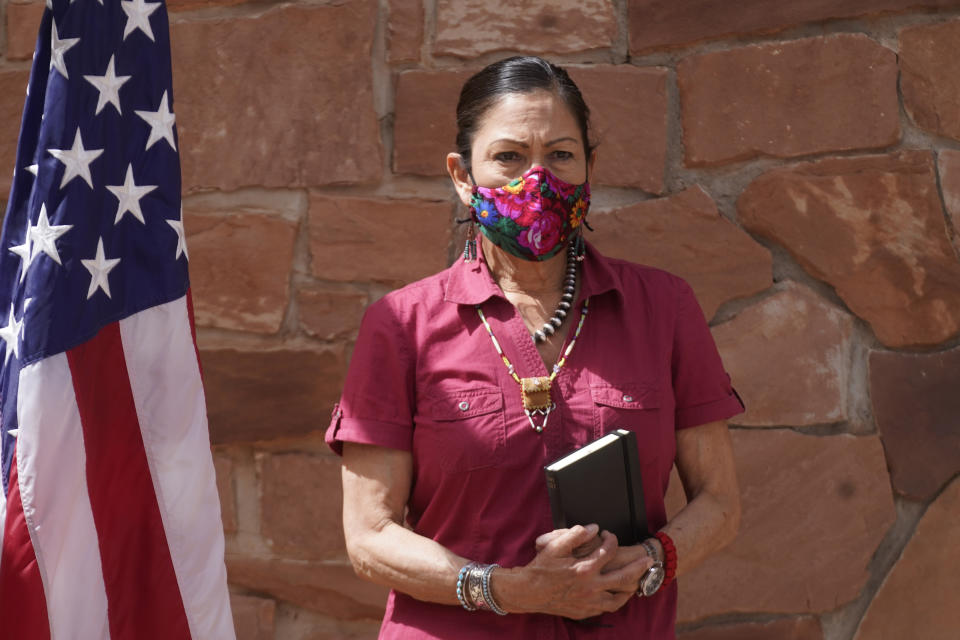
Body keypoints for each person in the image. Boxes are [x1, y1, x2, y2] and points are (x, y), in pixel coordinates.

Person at [325, 56, 743, 639]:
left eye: (561, 156)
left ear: (590, 168)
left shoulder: (663, 307)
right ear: (462, 174)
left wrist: (650, 562)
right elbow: (369, 538)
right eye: (509, 157)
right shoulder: (400, 324)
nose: (538, 180)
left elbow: (720, 502)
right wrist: (509, 589)